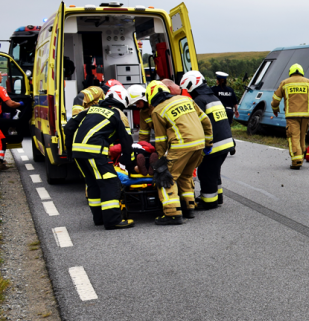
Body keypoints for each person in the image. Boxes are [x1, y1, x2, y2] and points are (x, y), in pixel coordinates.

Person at [63, 86, 135, 230]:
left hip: (78, 152)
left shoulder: (89, 110)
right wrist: (129, 163)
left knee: (93, 184)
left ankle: (99, 219)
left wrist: (70, 151)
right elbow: (126, 142)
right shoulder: (117, 114)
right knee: (110, 183)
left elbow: (68, 128)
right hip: (95, 152)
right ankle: (113, 221)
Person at [147, 82, 213, 225]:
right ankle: (189, 207)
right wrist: (208, 143)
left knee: (165, 177)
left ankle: (172, 214)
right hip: (199, 144)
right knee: (186, 175)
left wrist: (161, 161)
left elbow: (160, 139)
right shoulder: (186, 99)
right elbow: (206, 121)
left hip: (181, 145)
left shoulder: (158, 110)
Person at [180, 70, 235, 209]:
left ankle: (209, 201)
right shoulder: (213, 98)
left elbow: (197, 124)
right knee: (214, 172)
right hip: (226, 142)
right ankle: (218, 197)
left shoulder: (199, 101)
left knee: (205, 172)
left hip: (215, 144)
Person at [271, 64, 309, 169]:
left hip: (292, 116)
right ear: (302, 72)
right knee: (302, 136)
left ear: (290, 72)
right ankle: (301, 154)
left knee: (293, 136)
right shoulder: (308, 83)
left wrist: (275, 109)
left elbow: (275, 100)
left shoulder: (285, 83)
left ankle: (297, 161)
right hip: (306, 116)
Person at [211, 71, 238, 155]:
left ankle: (230, 144)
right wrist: (236, 111)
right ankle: (231, 145)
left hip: (219, 111)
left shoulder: (214, 90)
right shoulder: (230, 90)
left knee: (219, 129)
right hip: (229, 111)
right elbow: (235, 103)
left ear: (218, 80)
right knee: (227, 128)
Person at [0, 86, 25, 171]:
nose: (1, 77)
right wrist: (20, 104)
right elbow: (11, 104)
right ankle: (0, 162)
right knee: (2, 140)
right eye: (0, 76)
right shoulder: (0, 89)